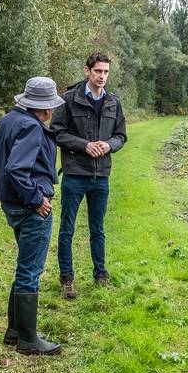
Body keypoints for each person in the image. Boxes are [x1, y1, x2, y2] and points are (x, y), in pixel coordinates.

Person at [0, 76, 66, 356]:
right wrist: (36, 200)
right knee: (30, 270)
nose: (52, 111)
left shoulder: (8, 121)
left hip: (11, 204)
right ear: (46, 108)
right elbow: (15, 169)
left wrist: (9, 195)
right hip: (30, 208)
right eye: (51, 107)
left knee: (25, 264)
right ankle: (28, 339)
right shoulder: (33, 128)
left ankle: (14, 331)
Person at [52, 52, 127, 299]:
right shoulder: (68, 99)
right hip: (75, 173)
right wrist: (84, 145)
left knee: (98, 228)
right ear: (87, 71)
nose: (102, 76)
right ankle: (67, 279)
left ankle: (100, 274)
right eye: (98, 71)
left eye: (106, 72)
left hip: (101, 175)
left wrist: (109, 145)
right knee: (67, 229)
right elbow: (57, 133)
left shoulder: (114, 103)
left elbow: (121, 135)